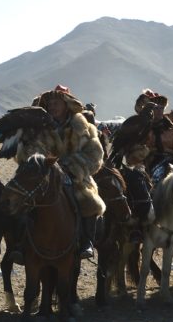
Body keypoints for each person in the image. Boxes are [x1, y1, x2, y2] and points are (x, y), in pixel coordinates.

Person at [14, 86, 105, 260]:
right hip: (43, 175)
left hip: (75, 176)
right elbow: (26, 152)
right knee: (20, 199)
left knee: (89, 201)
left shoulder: (82, 127)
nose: (53, 106)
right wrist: (40, 162)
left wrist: (71, 166)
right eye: (50, 103)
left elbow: (95, 154)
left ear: (66, 104)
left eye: (57, 102)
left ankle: (87, 241)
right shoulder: (38, 125)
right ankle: (19, 244)